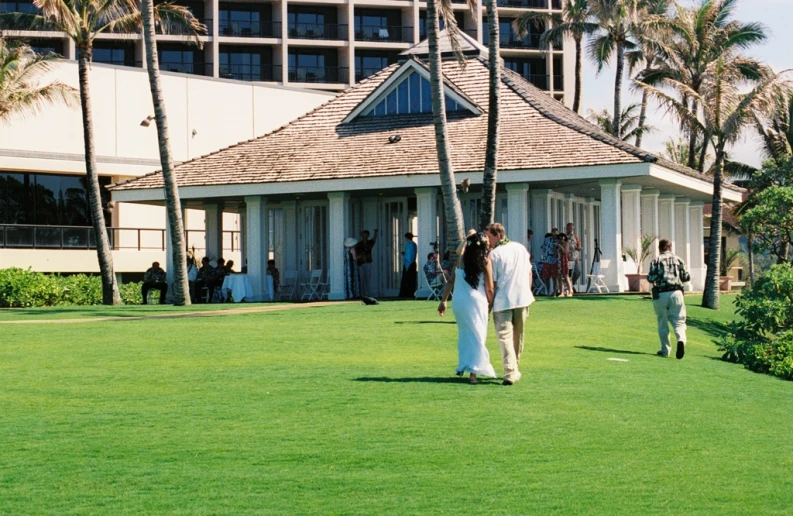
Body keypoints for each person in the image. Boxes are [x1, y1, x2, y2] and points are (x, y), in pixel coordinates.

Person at [437, 232, 497, 384]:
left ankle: (464, 364)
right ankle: (473, 373)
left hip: (460, 302)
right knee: (478, 335)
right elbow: (489, 288)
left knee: (465, 334)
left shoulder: (461, 259)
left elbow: (450, 281)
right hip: (477, 302)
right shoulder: (485, 261)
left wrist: (443, 301)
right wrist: (492, 305)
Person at [485, 223, 534, 385]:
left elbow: (492, 283)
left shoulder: (494, 254)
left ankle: (511, 370)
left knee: (506, 337)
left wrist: (489, 304)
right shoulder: (520, 248)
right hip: (521, 298)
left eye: (489, 236)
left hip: (503, 300)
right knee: (516, 336)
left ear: (498, 235)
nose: (487, 240)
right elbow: (529, 273)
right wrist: (528, 291)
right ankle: (513, 368)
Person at [647, 239, 691, 359]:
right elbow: (686, 277)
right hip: (676, 292)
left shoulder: (656, 260)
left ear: (659, 248)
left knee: (662, 321)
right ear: (670, 248)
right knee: (679, 321)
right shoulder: (679, 260)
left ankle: (665, 350)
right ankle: (681, 339)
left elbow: (651, 278)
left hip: (661, 293)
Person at [355, 229, 378, 297]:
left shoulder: (369, 243)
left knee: (367, 278)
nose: (364, 236)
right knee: (362, 278)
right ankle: (362, 294)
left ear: (368, 236)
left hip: (368, 262)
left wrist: (375, 233)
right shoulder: (359, 244)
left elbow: (374, 240)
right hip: (361, 263)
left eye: (366, 235)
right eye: (363, 235)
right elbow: (357, 254)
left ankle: (367, 294)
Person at [398, 232, 418, 298]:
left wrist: (406, 266)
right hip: (413, 264)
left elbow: (409, 257)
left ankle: (406, 294)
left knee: (407, 280)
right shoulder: (414, 244)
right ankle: (410, 293)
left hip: (409, 265)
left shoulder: (409, 245)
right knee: (412, 279)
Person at [540, 229, 559, 296]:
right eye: (553, 232)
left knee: (554, 277)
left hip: (555, 261)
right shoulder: (547, 239)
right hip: (547, 260)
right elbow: (543, 248)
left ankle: (554, 292)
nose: (554, 234)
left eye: (556, 233)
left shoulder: (558, 240)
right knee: (546, 277)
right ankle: (548, 292)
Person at [566, 223, 582, 288]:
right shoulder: (564, 237)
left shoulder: (575, 237)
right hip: (567, 258)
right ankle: (569, 287)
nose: (570, 229)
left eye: (571, 228)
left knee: (577, 272)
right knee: (568, 274)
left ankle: (572, 285)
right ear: (566, 228)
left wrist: (578, 249)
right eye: (569, 228)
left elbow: (579, 246)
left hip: (575, 258)